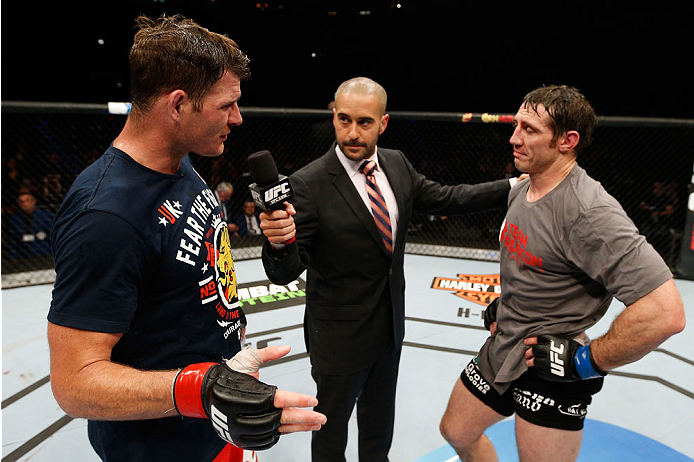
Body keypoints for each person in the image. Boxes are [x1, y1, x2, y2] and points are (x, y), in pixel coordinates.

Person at [46, 14, 325, 462]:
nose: (237, 118)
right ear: (177, 105)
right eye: (226, 105)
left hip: (219, 421)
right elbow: (74, 383)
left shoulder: (180, 163)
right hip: (161, 447)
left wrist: (225, 374)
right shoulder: (105, 217)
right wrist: (200, 388)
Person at [257, 76, 519, 461]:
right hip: (337, 339)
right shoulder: (308, 183)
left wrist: (514, 186)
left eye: (364, 122)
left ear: (383, 123)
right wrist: (279, 242)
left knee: (379, 434)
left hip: (389, 329)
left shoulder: (396, 164)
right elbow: (284, 272)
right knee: (330, 436)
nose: (352, 132)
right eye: (343, 119)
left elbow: (448, 198)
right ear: (333, 117)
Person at [438, 85, 686, 462]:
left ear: (567, 141)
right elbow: (540, 263)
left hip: (552, 367)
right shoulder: (522, 188)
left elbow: (666, 313)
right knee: (456, 431)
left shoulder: (589, 212)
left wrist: (587, 360)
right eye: (516, 125)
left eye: (530, 130)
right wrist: (508, 302)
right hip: (505, 344)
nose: (514, 138)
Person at [9, 191, 53, 258]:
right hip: (24, 255)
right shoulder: (15, 219)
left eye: (27, 201)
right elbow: (14, 240)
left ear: (33, 202)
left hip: (45, 252)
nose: (24, 204)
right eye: (21, 202)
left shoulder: (46, 216)